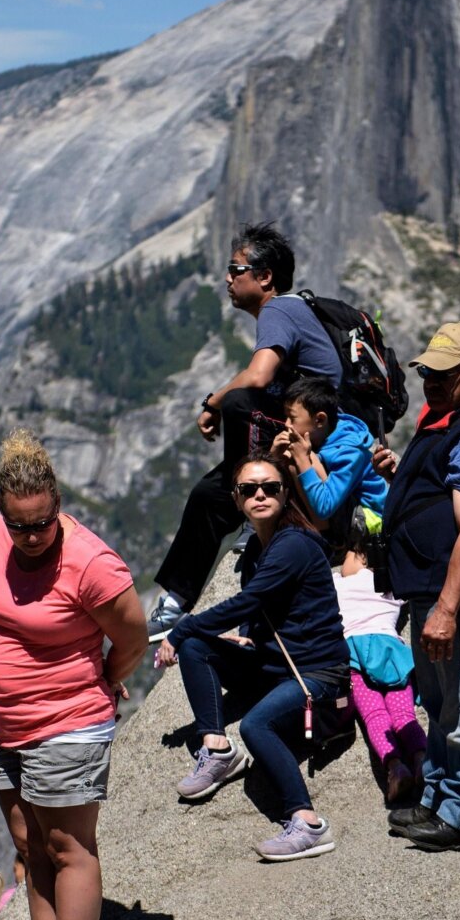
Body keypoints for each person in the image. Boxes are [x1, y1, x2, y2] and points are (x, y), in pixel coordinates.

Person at [0, 429, 147, 920]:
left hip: (68, 720)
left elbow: (134, 639)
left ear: (59, 505)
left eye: (43, 524)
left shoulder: (92, 564)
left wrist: (106, 679)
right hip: (5, 724)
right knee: (31, 846)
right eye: (19, 526)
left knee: (67, 847)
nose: (31, 536)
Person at [146, 221, 344, 639]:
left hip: (318, 437)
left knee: (239, 404)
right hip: (298, 431)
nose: (227, 279)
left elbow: (257, 377)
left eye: (236, 270)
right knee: (206, 495)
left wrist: (213, 402)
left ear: (264, 276)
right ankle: (177, 599)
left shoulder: (278, 309)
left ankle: (253, 506)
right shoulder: (288, 311)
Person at [153, 454, 351, 862]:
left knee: (257, 725)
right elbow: (265, 610)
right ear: (236, 498)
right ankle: (217, 749)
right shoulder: (258, 550)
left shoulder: (293, 543)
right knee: (198, 649)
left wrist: (182, 626)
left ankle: (307, 822)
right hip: (275, 663)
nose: (259, 495)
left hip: (317, 672)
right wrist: (245, 638)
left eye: (270, 487)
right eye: (249, 489)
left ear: (285, 493)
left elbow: (251, 600)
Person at [372, 321, 460, 852]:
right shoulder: (445, 421)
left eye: (444, 375)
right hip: (427, 587)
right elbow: (441, 500)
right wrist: (400, 475)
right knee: (438, 697)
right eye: (428, 371)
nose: (430, 381)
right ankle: (438, 794)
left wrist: (448, 609)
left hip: (451, 594)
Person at [330, 518, 426, 805]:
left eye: (346, 556)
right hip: (392, 654)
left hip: (355, 655)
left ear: (360, 557)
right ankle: (422, 760)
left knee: (374, 716)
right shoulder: (394, 585)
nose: (341, 563)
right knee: (404, 715)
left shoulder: (336, 583)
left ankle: (395, 766)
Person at [271, 375, 389, 538]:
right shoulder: (320, 433)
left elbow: (324, 507)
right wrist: (273, 457)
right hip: (342, 506)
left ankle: (329, 542)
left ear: (320, 420)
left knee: (297, 460)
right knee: (289, 457)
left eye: (292, 418)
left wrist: (303, 460)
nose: (287, 424)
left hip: (368, 518)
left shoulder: (349, 452)